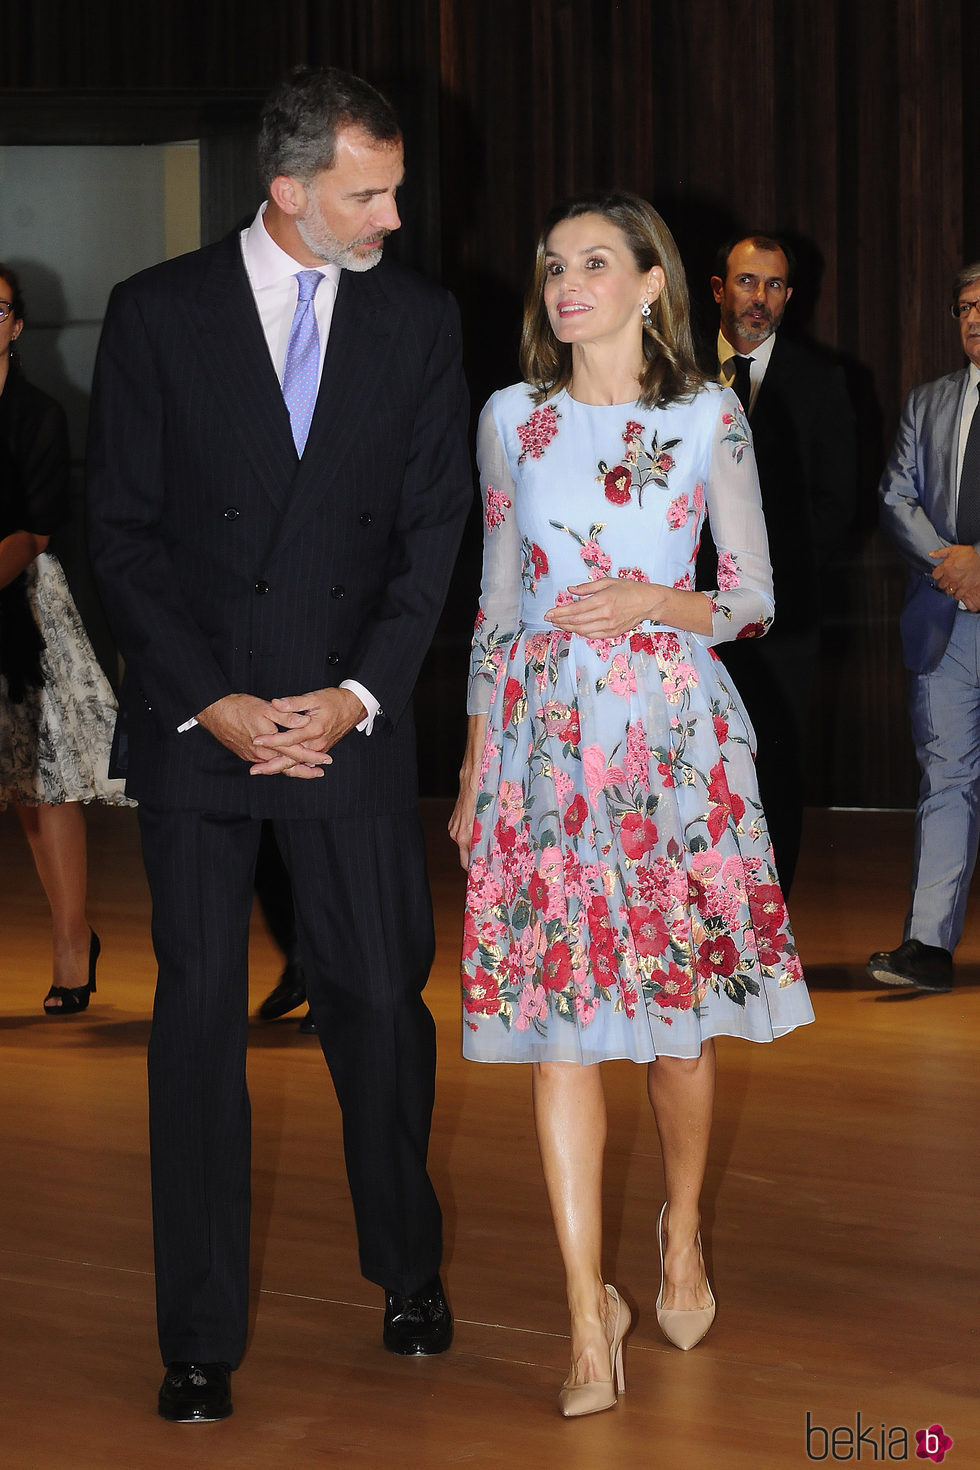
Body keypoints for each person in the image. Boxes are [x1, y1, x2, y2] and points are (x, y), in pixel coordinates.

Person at [87, 66, 470, 1422]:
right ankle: (197, 1336)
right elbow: (119, 530)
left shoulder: (419, 323)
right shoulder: (156, 314)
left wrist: (357, 695)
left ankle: (405, 1261)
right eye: (370, 193)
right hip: (204, 730)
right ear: (290, 187)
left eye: (397, 188)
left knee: (376, 1006)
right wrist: (210, 697)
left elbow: (434, 539)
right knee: (194, 1028)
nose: (392, 216)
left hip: (347, 726)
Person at [450, 192, 813, 1419]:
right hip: (545, 751)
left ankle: (680, 1231)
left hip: (673, 746)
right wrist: (471, 766)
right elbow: (498, 605)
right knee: (560, 1038)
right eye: (552, 265)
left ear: (651, 282)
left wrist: (655, 605)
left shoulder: (710, 416)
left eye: (592, 264)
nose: (564, 285)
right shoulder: (510, 419)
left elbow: (755, 596)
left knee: (676, 1033)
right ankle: (580, 1320)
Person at [701, 234, 856, 894]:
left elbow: (839, 502)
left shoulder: (823, 381)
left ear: (789, 297)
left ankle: (768, 928)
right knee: (694, 768)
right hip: (683, 616)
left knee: (774, 770)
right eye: (746, 282)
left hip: (780, 623)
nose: (758, 298)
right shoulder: (668, 376)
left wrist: (761, 580)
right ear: (718, 288)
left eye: (772, 286)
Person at [0, 262, 132, 1013]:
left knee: (50, 786)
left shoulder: (39, 413)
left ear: (17, 325)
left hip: (26, 607)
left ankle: (72, 943)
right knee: (20, 789)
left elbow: (36, 529)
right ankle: (70, 928)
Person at [868, 263, 980, 995]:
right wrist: (956, 568)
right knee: (946, 777)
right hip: (948, 618)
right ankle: (929, 945)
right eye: (966, 306)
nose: (974, 317)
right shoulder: (930, 401)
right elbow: (896, 493)